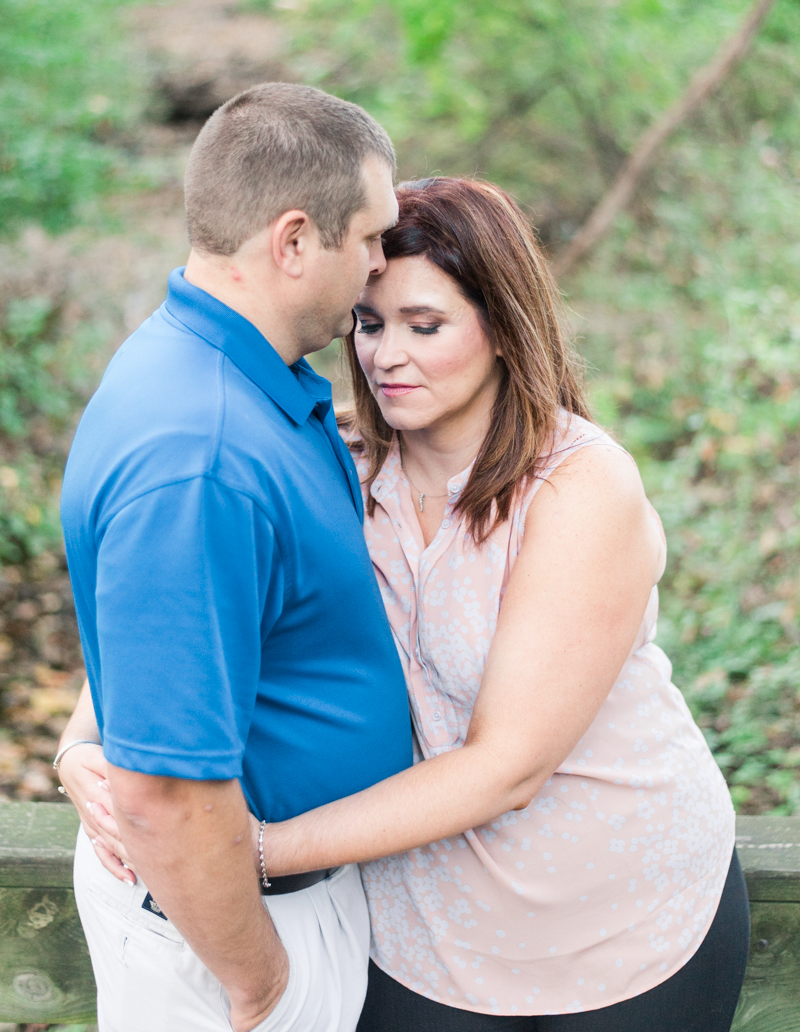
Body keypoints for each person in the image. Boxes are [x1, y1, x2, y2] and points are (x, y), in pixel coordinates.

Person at [62, 176, 750, 1031]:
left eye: (426, 327)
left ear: (503, 325)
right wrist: (85, 745)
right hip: (415, 928)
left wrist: (251, 852)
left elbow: (510, 767)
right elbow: (176, 608)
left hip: (621, 916)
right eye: (370, 322)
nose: (387, 356)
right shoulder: (333, 456)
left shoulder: (578, 486)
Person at [56, 82, 413, 1032]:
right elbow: (166, 791)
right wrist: (260, 981)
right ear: (294, 241)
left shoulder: (243, 385)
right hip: (226, 944)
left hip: (275, 904)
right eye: (372, 238)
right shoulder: (201, 455)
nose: (381, 267)